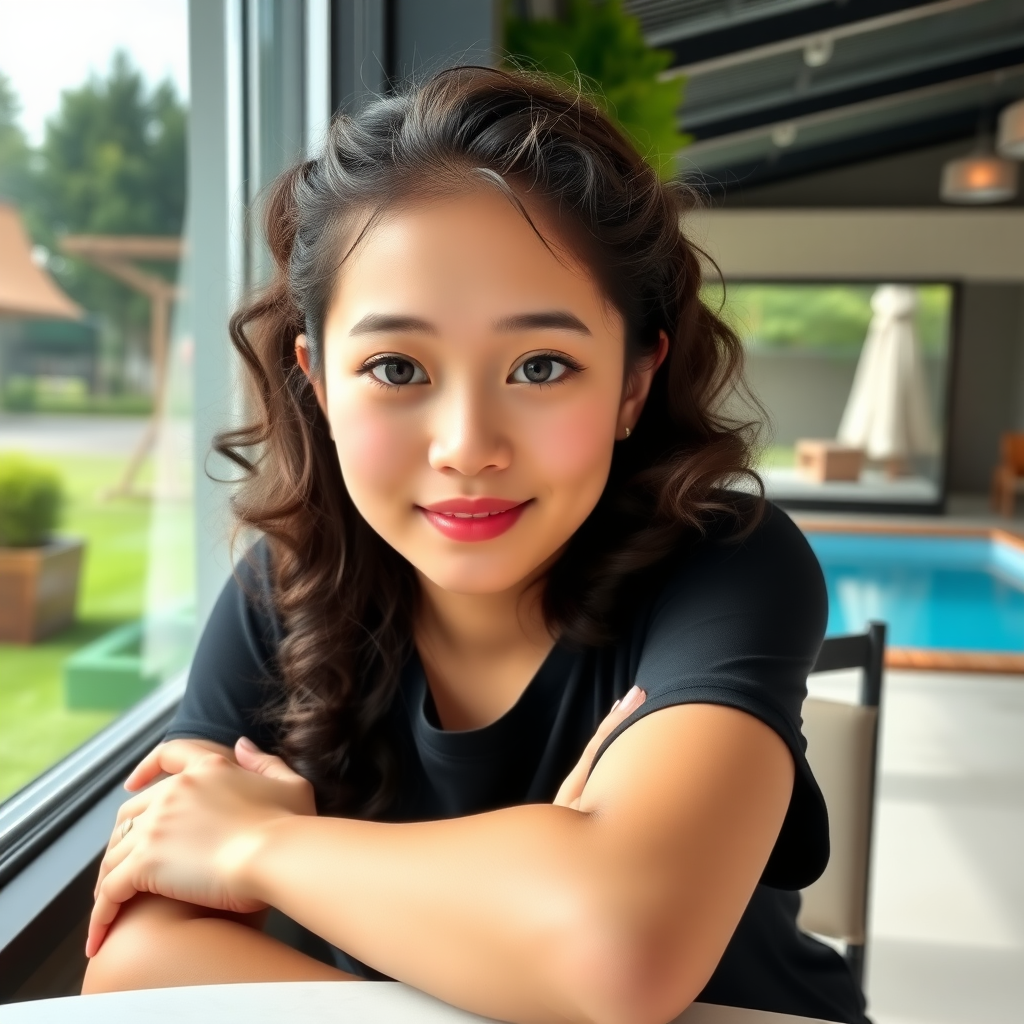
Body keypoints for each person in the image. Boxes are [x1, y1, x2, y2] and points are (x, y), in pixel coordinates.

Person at [83, 66, 867, 1024]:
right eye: (396, 367)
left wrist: (262, 849)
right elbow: (134, 968)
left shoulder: (729, 564)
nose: (467, 448)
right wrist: (538, 900)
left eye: (541, 366)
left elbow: (621, 948)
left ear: (632, 382)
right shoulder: (281, 595)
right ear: (319, 382)